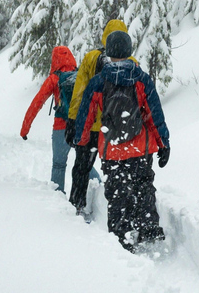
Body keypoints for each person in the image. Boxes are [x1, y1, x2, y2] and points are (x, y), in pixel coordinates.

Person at [74, 30, 170, 252]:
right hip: (141, 148)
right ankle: (148, 228)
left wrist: (82, 139)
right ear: (129, 50)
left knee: (118, 193)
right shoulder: (141, 79)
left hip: (112, 150)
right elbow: (155, 114)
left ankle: (122, 235)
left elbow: (85, 115)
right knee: (144, 186)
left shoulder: (99, 82)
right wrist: (163, 143)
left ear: (108, 52)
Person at [65, 19, 135, 214]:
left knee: (82, 167)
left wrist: (73, 122)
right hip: (117, 131)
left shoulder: (90, 58)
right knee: (119, 172)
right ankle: (118, 213)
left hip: (91, 128)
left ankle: (77, 205)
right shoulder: (132, 63)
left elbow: (79, 93)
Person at [19, 46, 95, 192]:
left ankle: (58, 200)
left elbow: (36, 103)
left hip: (61, 128)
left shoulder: (54, 79)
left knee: (59, 165)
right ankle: (97, 190)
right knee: (85, 162)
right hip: (81, 126)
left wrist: (25, 130)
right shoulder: (80, 75)